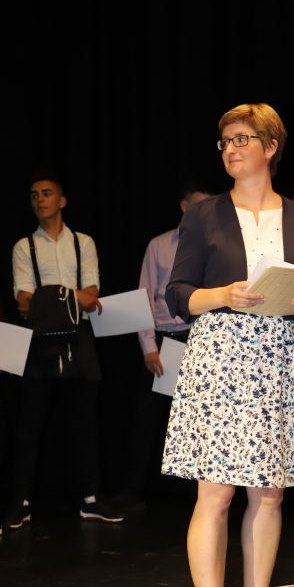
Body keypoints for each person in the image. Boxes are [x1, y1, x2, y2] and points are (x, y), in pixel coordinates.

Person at [162, 102, 294, 587]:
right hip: (223, 359)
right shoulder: (204, 215)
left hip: (282, 359)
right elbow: (177, 294)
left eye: (243, 139)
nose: (231, 149)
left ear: (271, 147)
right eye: (226, 141)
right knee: (215, 493)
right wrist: (223, 295)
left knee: (270, 491)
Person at [1, 170, 124, 530]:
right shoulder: (24, 247)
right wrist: (70, 297)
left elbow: (92, 296)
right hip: (37, 339)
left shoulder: (83, 243)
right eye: (34, 195)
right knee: (29, 424)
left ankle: (91, 499)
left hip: (78, 338)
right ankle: (20, 500)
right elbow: (24, 301)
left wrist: (50, 298)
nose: (39, 199)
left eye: (46, 193)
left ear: (62, 200)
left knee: (85, 422)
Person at [115, 184, 214, 510]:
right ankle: (132, 490)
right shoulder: (159, 245)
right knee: (147, 419)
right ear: (184, 206)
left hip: (200, 338)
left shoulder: (214, 246)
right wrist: (148, 346)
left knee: (200, 421)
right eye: (198, 206)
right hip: (165, 338)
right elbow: (144, 295)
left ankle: (198, 496)